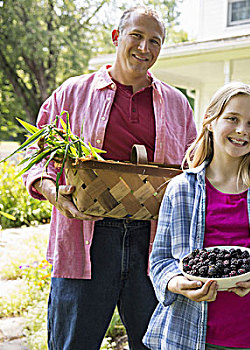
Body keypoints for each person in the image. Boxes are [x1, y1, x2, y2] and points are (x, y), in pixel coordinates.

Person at [22, 5, 197, 350]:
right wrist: (54, 192)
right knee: (74, 343)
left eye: (154, 41)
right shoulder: (73, 93)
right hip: (85, 240)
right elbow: (36, 153)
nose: (145, 48)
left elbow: (195, 166)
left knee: (154, 345)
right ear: (117, 37)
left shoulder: (177, 104)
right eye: (137, 36)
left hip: (154, 246)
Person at [143, 82, 250, 350]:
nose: (242, 130)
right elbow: (160, 262)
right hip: (187, 336)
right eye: (232, 118)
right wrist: (177, 284)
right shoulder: (180, 189)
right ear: (210, 121)